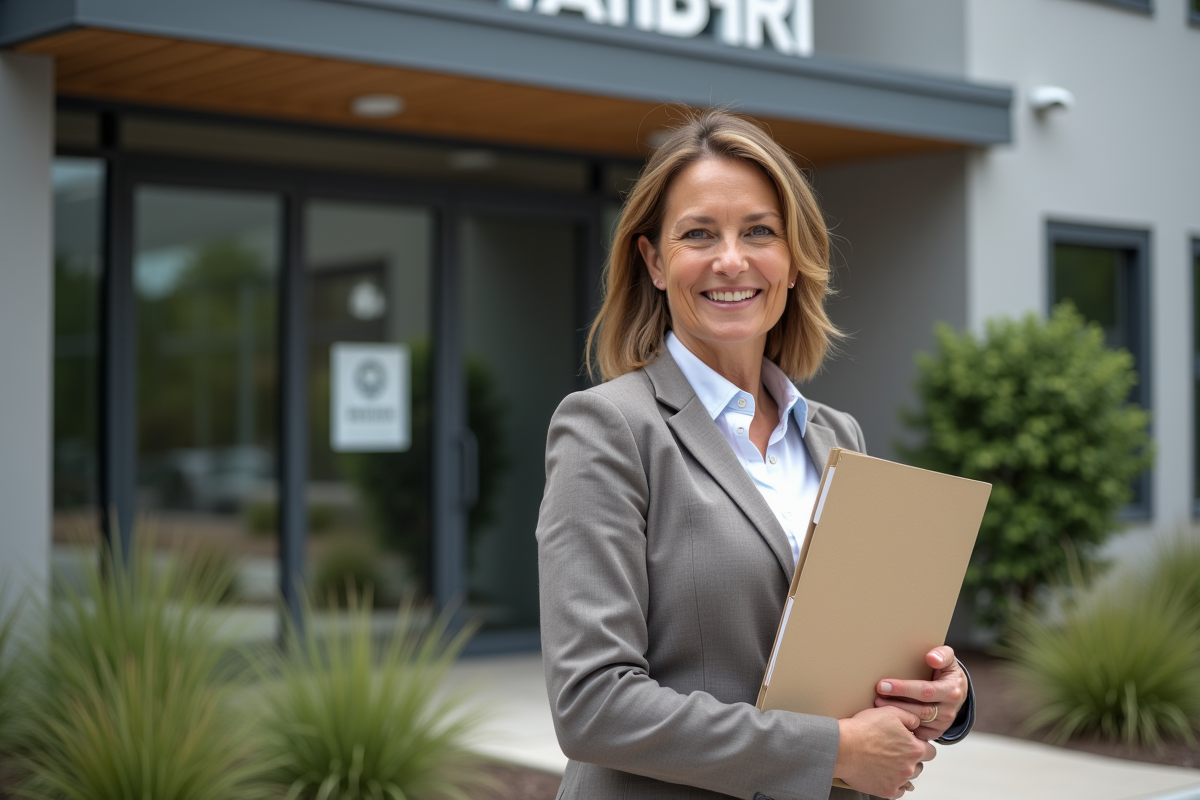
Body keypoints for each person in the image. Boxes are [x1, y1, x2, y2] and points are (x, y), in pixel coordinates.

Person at [536, 110, 975, 800]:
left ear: (794, 261)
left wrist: (940, 691)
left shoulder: (836, 436)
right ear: (654, 261)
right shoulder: (608, 429)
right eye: (698, 234)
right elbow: (593, 703)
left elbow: (855, 650)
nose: (731, 260)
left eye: (759, 232)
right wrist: (833, 750)